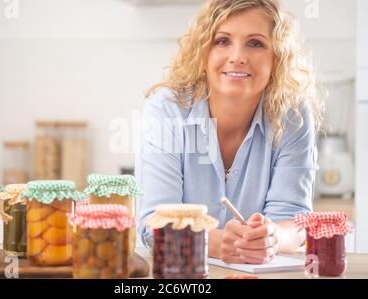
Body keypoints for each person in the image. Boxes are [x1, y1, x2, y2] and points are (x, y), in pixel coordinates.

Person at [135, 0, 324, 264]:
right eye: (222, 41)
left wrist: (272, 238)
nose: (237, 57)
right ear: (204, 52)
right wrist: (215, 241)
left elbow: (294, 219)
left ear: (277, 57)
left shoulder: (291, 115)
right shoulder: (168, 109)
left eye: (255, 43)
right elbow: (154, 225)